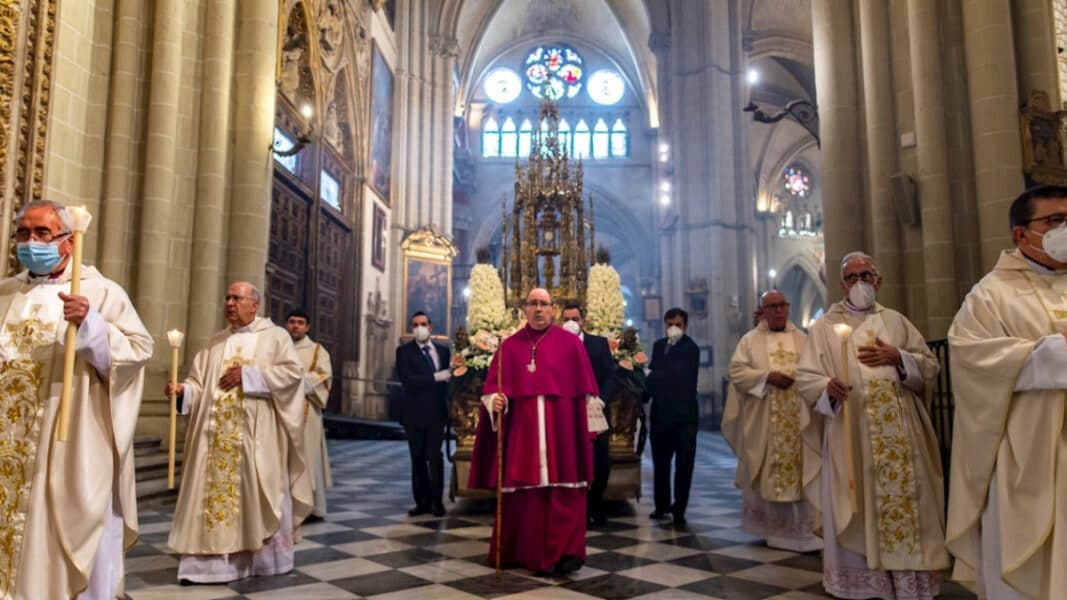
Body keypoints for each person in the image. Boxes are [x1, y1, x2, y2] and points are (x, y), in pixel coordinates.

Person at [0, 200, 153, 599]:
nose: (31, 242)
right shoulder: (5, 292)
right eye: (24, 233)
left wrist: (93, 326)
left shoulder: (100, 292)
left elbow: (138, 350)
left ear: (68, 243)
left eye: (43, 234)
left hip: (66, 444)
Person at [795, 252, 949, 599]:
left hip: (901, 439)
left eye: (867, 275)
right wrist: (826, 388)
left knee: (906, 507)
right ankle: (864, 585)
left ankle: (909, 584)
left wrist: (900, 358)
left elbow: (929, 366)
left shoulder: (897, 322)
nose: (860, 283)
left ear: (879, 280)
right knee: (857, 503)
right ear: (841, 283)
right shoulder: (824, 328)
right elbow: (805, 378)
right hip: (851, 435)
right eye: (852, 277)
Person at [946, 184, 1067, 599]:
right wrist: (1057, 353)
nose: (1065, 228)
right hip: (1025, 461)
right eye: (1055, 220)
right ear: (1021, 234)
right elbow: (969, 358)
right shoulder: (990, 295)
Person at [167, 281, 312, 584]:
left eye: (237, 298)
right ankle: (208, 567)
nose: (230, 303)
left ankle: (259, 561)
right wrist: (184, 391)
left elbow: (293, 375)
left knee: (256, 492)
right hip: (213, 441)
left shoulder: (275, 337)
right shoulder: (214, 343)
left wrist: (249, 375)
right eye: (227, 298)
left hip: (256, 440)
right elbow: (199, 381)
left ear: (254, 305)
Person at [468, 288, 600, 575]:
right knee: (527, 495)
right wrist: (496, 401)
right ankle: (524, 552)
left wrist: (586, 432)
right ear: (523, 309)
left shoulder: (571, 345)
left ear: (553, 309)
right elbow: (492, 391)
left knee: (565, 490)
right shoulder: (509, 346)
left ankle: (566, 552)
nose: (538, 309)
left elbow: (587, 393)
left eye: (544, 304)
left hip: (563, 431)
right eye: (532, 304)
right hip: (523, 435)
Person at [725, 290, 821, 552]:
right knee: (770, 472)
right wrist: (767, 377)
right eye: (772, 306)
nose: (779, 310)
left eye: (782, 305)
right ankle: (774, 529)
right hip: (767, 421)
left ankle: (803, 529)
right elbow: (736, 371)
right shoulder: (749, 341)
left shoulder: (803, 339)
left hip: (799, 420)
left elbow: (817, 372)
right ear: (763, 310)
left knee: (803, 472)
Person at [560, 303, 618, 527]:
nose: (570, 323)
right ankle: (577, 508)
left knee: (600, 460)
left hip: (595, 410)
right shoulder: (555, 344)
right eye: (566, 319)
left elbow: (612, 376)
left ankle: (596, 503)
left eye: (574, 318)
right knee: (571, 460)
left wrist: (600, 399)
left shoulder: (598, 343)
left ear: (583, 320)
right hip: (567, 413)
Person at [646, 307, 700, 526]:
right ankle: (662, 505)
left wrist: (651, 375)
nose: (673, 328)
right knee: (660, 464)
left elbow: (678, 376)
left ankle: (679, 509)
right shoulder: (659, 346)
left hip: (684, 417)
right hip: (660, 414)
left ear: (685, 326)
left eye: (677, 324)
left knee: (684, 465)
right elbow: (652, 375)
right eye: (669, 324)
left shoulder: (691, 349)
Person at [395, 311, 451, 517]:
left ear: (430, 326)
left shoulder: (443, 352)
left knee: (434, 457)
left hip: (437, 413)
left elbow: (449, 381)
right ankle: (422, 502)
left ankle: (437, 501)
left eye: (423, 324)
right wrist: (436, 377)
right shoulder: (404, 352)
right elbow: (408, 379)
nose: (419, 327)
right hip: (414, 413)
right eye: (415, 324)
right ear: (412, 329)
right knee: (417, 458)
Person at [286, 308, 333, 520]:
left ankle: (311, 508)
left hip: (307, 411)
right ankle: (285, 508)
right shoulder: (278, 348)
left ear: (308, 327)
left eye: (300, 322)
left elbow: (324, 376)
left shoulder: (317, 350)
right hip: (281, 412)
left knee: (308, 459)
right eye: (292, 322)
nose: (295, 326)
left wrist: (296, 382)